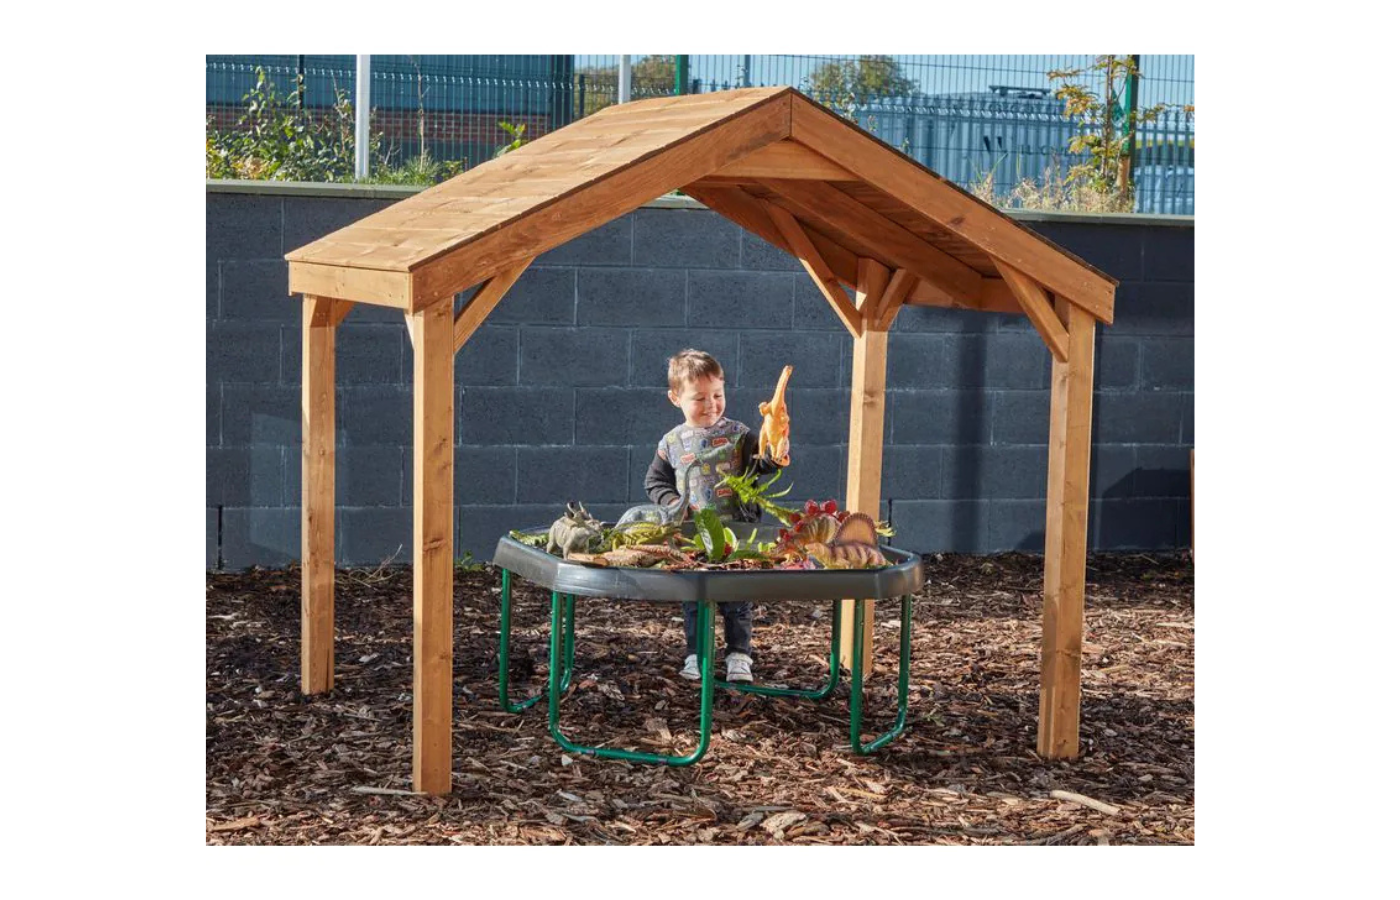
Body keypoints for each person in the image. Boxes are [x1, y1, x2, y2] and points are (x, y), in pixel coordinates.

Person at [644, 349, 785, 683]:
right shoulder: (671, 442)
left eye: (718, 395)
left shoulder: (739, 434)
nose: (710, 405)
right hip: (693, 536)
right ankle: (697, 655)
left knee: (737, 598)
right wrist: (673, 502)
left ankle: (739, 656)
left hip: (738, 532)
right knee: (694, 599)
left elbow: (762, 460)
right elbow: (655, 481)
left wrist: (776, 454)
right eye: (699, 398)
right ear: (675, 398)